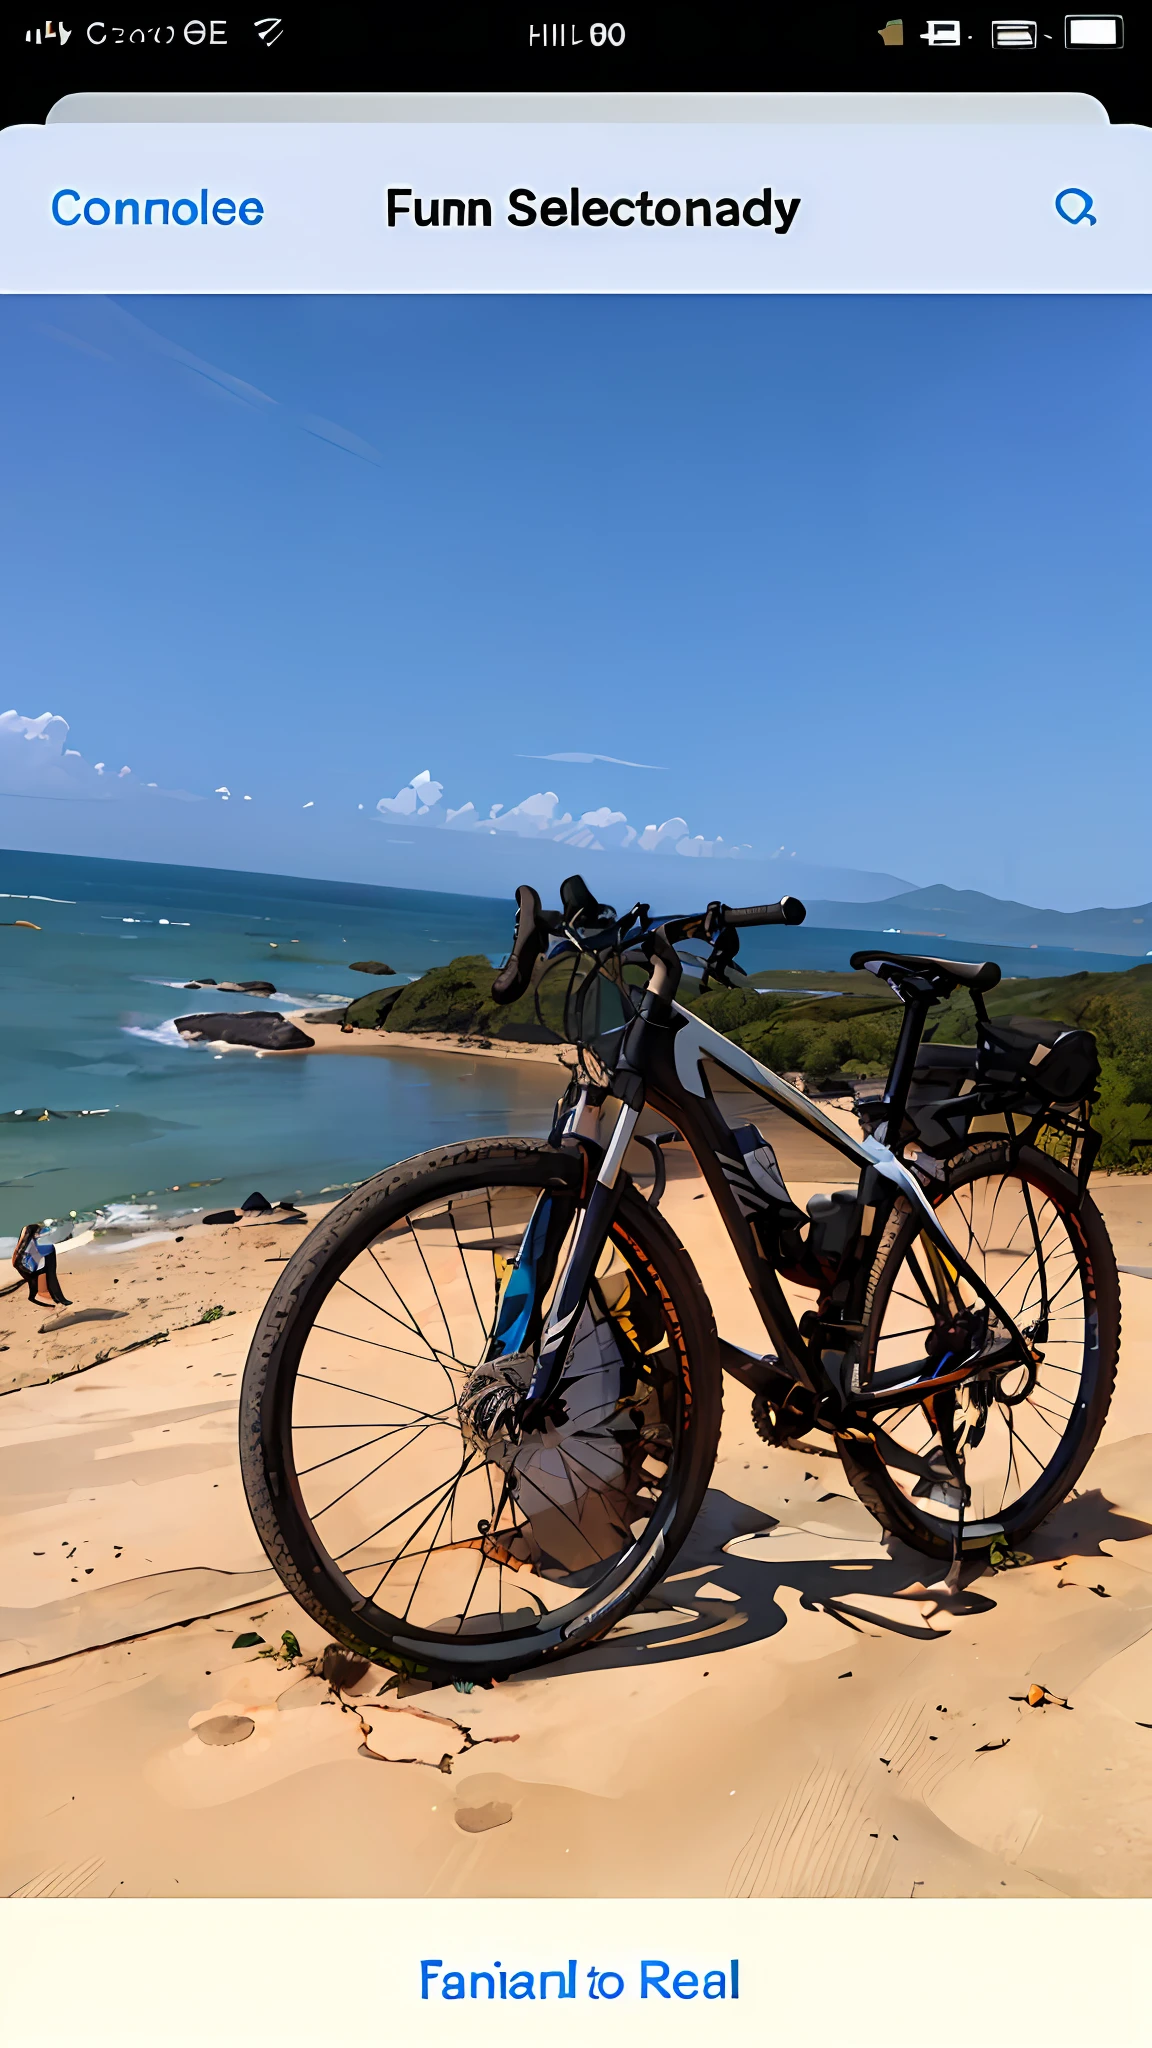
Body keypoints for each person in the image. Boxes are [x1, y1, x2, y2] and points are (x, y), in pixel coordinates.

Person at [12, 1222, 70, 1308]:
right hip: (41, 1253)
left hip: (41, 1253)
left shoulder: (34, 1230)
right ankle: (58, 1299)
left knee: (49, 1275)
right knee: (49, 1275)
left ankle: (58, 1299)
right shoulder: (31, 1229)